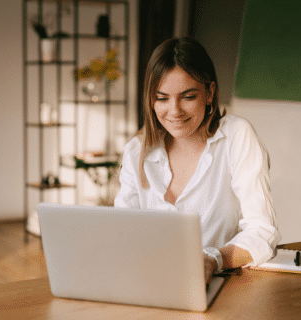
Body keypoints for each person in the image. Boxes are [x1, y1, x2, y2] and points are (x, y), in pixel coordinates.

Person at [114, 37, 281, 284]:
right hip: (148, 283)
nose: (174, 111)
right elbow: (121, 232)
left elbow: (262, 233)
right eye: (162, 98)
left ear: (210, 92)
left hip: (224, 286)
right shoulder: (137, 151)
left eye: (188, 97)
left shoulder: (236, 136)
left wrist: (212, 259)